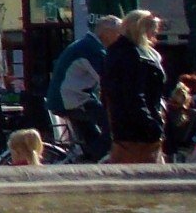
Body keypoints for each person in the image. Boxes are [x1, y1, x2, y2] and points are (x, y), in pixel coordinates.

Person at [102, 10, 169, 164]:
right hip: (140, 133)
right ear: (143, 32)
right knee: (150, 178)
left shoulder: (113, 53)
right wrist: (153, 126)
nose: (155, 39)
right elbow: (135, 96)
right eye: (153, 33)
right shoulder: (136, 57)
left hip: (122, 130)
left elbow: (108, 93)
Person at [48, 17, 120, 162]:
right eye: (118, 33)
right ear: (106, 33)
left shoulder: (86, 44)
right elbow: (107, 78)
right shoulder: (92, 49)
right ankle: (101, 159)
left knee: (91, 137)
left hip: (71, 98)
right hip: (71, 99)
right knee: (110, 123)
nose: (120, 38)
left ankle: (88, 159)